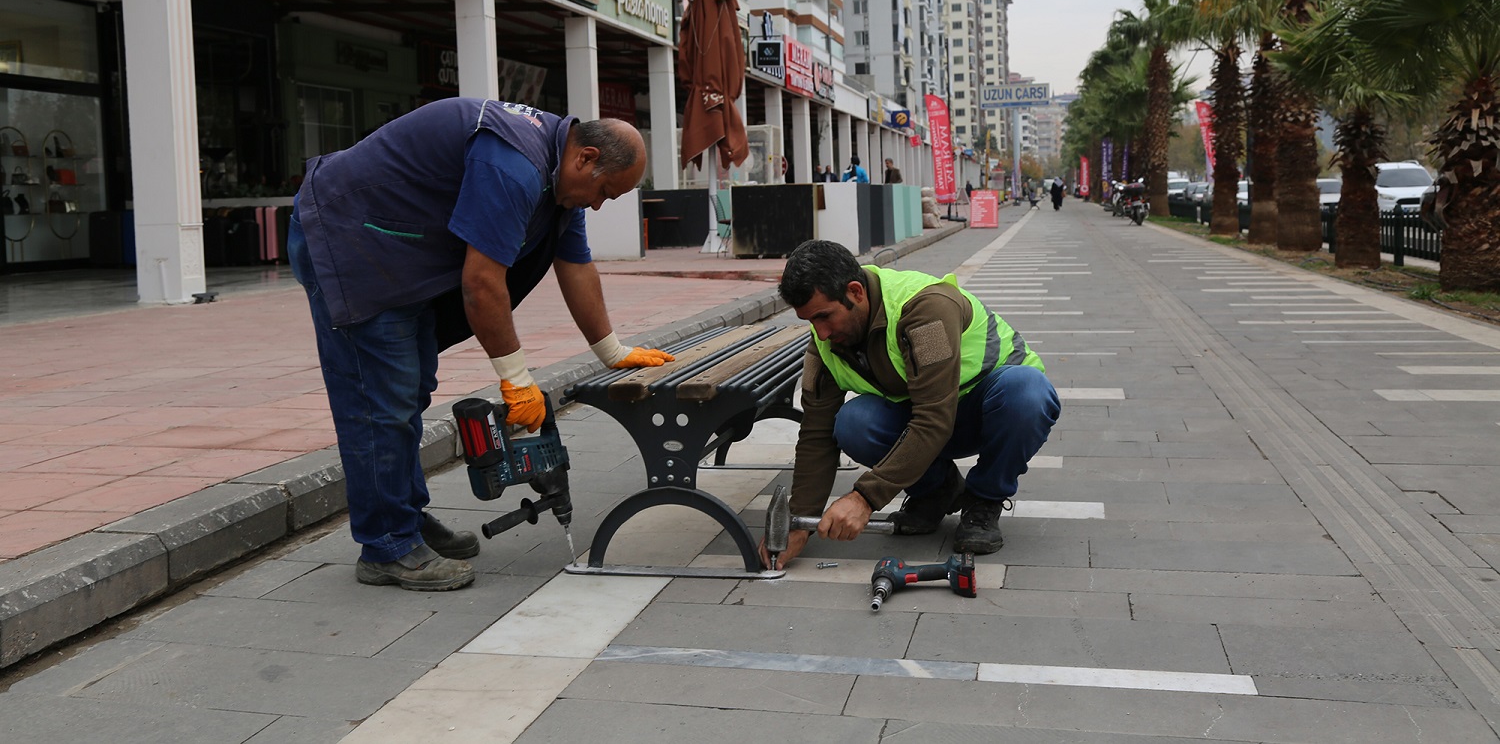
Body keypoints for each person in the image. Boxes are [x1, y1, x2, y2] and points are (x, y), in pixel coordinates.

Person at [289, 97, 674, 592]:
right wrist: (516, 382)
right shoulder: (514, 164)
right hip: (351, 237)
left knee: (406, 392)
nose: (599, 204)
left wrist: (612, 351)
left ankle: (404, 519)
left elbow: (575, 264)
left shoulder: (561, 175)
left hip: (399, 252)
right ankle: (387, 544)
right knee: (378, 402)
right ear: (587, 159)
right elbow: (482, 283)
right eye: (604, 192)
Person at [759, 240, 1061, 568]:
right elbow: (816, 432)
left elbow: (934, 418)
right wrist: (799, 522)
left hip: (988, 411)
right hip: (925, 418)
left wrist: (864, 498)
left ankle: (984, 500)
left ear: (856, 292)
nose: (821, 331)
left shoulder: (925, 311)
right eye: (810, 321)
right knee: (853, 422)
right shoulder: (825, 343)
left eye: (824, 316)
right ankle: (935, 491)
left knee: (1028, 392)